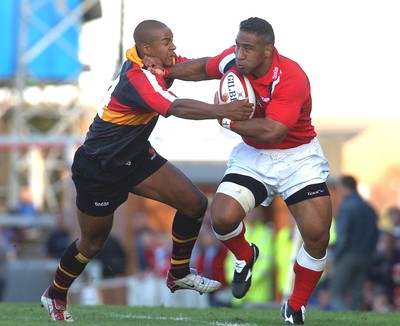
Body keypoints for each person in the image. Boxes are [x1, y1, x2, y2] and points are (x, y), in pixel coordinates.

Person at [40, 19, 254, 322]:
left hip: (135, 157)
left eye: (171, 40)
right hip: (101, 167)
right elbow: (176, 107)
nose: (174, 47)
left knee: (194, 203)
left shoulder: (156, 63)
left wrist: (231, 61)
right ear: (147, 49)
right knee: (92, 244)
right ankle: (55, 294)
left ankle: (178, 273)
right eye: (167, 42)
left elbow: (195, 67)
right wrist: (222, 110)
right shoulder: (138, 79)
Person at [146, 17, 332, 325]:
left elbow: (274, 131)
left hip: (297, 158)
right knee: (222, 217)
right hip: (254, 156)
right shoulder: (234, 61)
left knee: (317, 236)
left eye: (248, 48)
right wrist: (167, 72)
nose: (240, 53)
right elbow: (203, 67)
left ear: (268, 51)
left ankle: (295, 306)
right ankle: (245, 255)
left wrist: (229, 120)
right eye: (238, 46)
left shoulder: (291, 77)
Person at [329, 175, 379, 311]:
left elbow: (343, 236)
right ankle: (358, 320)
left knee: (336, 290)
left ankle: (344, 320)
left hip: (348, 256)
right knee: (357, 294)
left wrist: (336, 256)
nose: (338, 192)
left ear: (346, 188)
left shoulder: (346, 207)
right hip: (366, 256)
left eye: (339, 188)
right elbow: (376, 234)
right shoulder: (369, 208)